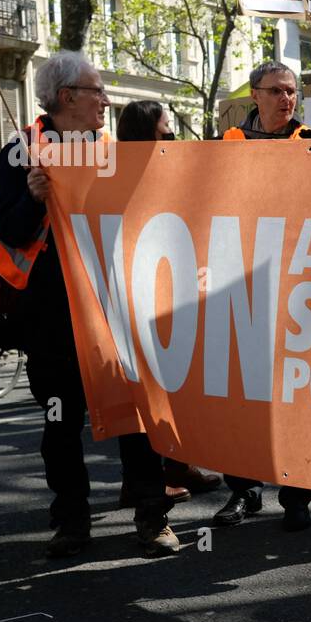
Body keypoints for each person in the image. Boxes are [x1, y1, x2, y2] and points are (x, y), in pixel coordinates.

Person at [0, 50, 179, 558]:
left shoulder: (112, 149)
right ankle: (71, 520)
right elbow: (10, 231)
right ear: (67, 97)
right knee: (59, 420)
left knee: (136, 414)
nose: (106, 101)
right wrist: (31, 196)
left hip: (116, 307)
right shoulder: (22, 150)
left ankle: (152, 516)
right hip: (51, 315)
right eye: (97, 91)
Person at [217, 62, 311, 531]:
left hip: (299, 290)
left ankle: (298, 496)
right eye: (276, 91)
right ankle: (244, 491)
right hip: (244, 287)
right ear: (254, 96)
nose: (287, 99)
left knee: (298, 398)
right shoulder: (228, 145)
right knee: (243, 398)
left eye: (292, 91)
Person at [113, 99, 222, 506]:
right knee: (140, 397)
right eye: (166, 132)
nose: (173, 138)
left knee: (179, 391)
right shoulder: (115, 175)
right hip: (137, 302)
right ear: (145, 135)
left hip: (173, 297)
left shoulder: (171, 170)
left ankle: (177, 466)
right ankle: (143, 481)